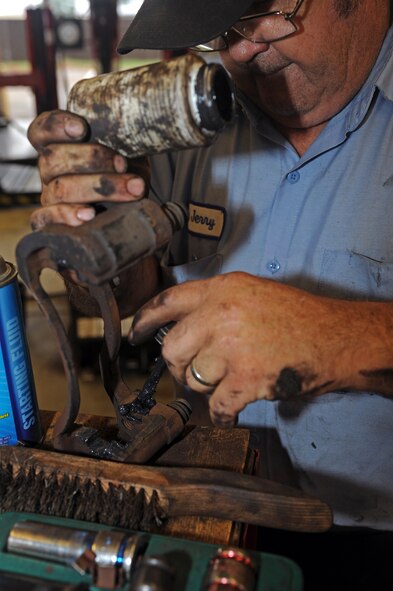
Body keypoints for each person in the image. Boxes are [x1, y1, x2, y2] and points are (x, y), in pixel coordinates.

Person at [27, 0, 393, 587]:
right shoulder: (188, 109)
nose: (242, 49)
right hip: (198, 506)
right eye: (222, 29)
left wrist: (341, 337)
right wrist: (96, 248)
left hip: (372, 535)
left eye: (268, 12)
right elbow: (121, 302)